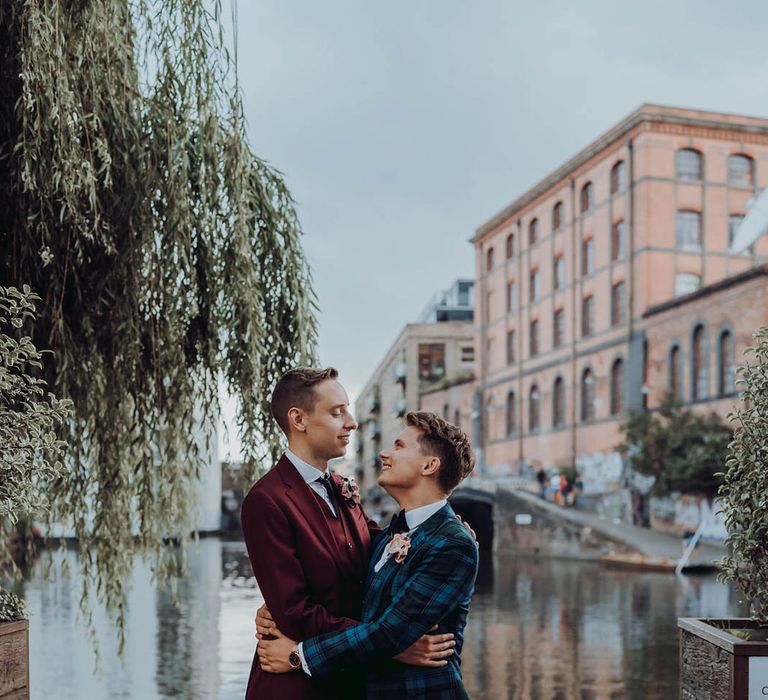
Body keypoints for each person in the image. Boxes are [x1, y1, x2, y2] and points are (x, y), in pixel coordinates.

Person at [240, 368, 454, 700]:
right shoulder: (266, 500)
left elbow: (383, 554)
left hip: (352, 677)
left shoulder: (341, 488)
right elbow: (295, 612)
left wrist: (450, 528)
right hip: (298, 687)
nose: (351, 422)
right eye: (337, 412)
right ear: (299, 419)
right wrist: (392, 644)